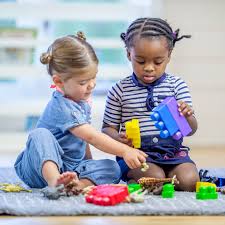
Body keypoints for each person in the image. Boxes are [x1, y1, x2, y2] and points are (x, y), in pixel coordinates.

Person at [14, 31, 147, 192]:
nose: (91, 85)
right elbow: (92, 137)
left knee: (113, 167)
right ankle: (55, 182)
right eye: (83, 82)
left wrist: (89, 166)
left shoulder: (81, 102)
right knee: (39, 134)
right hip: (38, 168)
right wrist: (125, 150)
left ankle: (77, 185)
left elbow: (84, 140)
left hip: (71, 168)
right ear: (59, 81)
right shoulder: (62, 106)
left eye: (94, 77)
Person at [102, 18, 199, 191]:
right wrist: (118, 139)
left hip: (173, 153)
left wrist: (187, 116)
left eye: (157, 61)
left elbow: (190, 130)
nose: (149, 68)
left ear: (168, 56)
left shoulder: (177, 85)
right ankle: (134, 178)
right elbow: (107, 128)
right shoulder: (119, 90)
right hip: (137, 155)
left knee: (189, 181)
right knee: (155, 178)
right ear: (128, 54)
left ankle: (164, 178)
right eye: (140, 61)